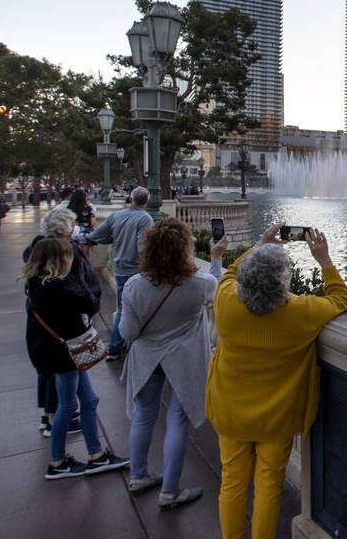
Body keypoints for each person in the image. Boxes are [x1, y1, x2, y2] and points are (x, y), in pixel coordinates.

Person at [207, 224, 347, 539]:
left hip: (229, 410)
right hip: (276, 418)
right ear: (284, 280)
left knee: (231, 482)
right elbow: (339, 299)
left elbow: (230, 272)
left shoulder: (226, 300)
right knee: (268, 487)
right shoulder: (300, 312)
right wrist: (324, 259)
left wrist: (259, 244)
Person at [120, 218, 227, 509]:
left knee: (144, 415)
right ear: (185, 249)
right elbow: (216, 288)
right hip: (184, 360)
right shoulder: (197, 284)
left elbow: (127, 332)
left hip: (147, 359)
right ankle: (169, 492)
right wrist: (215, 257)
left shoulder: (134, 286)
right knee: (177, 421)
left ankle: (139, 476)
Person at [22, 238, 129, 479]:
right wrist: (81, 270)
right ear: (58, 261)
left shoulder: (36, 284)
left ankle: (95, 455)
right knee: (68, 405)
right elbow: (90, 302)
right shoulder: (55, 288)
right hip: (63, 354)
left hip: (61, 352)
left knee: (89, 400)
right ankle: (57, 462)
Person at [24, 208, 103, 437]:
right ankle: (56, 428)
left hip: (42, 327)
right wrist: (91, 301)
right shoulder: (66, 253)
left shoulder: (36, 249)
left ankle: (49, 415)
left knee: (51, 375)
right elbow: (83, 292)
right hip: (64, 332)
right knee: (64, 384)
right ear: (66, 228)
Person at [87, 186, 154, 359]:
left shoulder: (117, 216)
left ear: (131, 199)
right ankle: (123, 345)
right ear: (147, 201)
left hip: (119, 268)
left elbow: (95, 236)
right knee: (136, 308)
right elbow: (142, 247)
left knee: (123, 307)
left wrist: (114, 239)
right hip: (136, 269)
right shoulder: (145, 218)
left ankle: (119, 344)